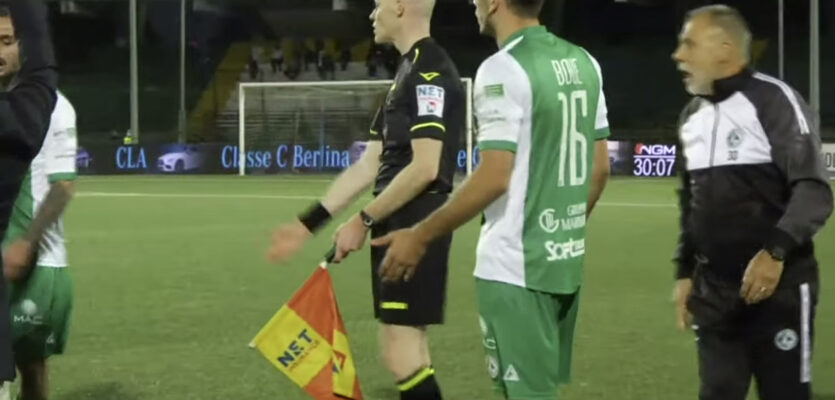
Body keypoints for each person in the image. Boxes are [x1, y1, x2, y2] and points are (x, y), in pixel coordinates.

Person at [371, 0, 611, 398]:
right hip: (563, 262)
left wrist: (421, 235)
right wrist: (560, 233)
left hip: (514, 268)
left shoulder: (502, 69)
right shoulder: (585, 61)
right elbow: (599, 169)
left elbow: (495, 176)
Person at [266, 0, 465, 398]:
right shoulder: (405, 74)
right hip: (397, 218)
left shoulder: (429, 72)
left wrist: (363, 220)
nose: (373, 15)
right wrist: (307, 224)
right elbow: (368, 165)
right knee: (407, 348)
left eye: (378, 5)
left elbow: (425, 167)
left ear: (401, 7)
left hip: (412, 220)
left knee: (401, 350)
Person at [670, 5, 832, 400]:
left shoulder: (774, 101)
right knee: (718, 391)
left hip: (780, 291)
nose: (678, 55)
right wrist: (685, 271)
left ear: (724, 48)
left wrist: (774, 252)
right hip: (715, 294)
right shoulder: (691, 117)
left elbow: (813, 189)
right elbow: (691, 205)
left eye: (689, 44)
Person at [0, 8, 77, 398]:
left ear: (24, 46)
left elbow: (63, 187)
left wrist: (27, 243)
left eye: (6, 42)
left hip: (34, 262)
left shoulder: (53, 106)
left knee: (31, 368)